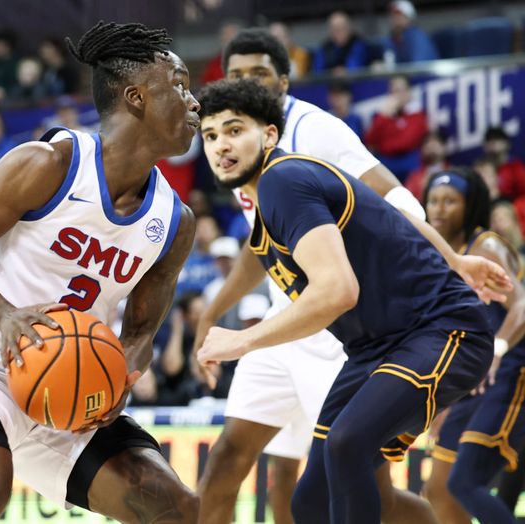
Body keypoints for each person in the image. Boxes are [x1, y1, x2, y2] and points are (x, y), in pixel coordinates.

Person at [0, 21, 200, 523]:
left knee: (178, 510)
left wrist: (123, 373)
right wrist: (5, 316)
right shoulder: (50, 163)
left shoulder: (174, 221)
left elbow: (142, 327)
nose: (195, 102)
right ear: (135, 97)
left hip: (69, 386)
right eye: (179, 85)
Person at [196, 79, 504, 524]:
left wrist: (242, 341)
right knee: (311, 503)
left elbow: (338, 291)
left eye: (234, 130)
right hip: (373, 350)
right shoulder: (266, 216)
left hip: (441, 329)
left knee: (348, 444)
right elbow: (383, 211)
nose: (221, 145)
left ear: (269, 135)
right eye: (210, 136)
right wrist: (453, 258)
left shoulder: (285, 178)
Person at [421, 168, 525, 524]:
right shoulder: (445, 257)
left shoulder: (486, 246)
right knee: (438, 489)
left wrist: (496, 351)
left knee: (465, 483)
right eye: (433, 200)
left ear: (472, 206)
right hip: (474, 383)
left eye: (451, 201)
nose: (439, 209)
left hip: (511, 369)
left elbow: (523, 305)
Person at [364, 74, 429, 182]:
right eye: (394, 91)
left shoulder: (418, 114)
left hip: (409, 166)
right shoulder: (382, 115)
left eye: (401, 90)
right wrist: (384, 117)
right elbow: (370, 141)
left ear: (409, 92)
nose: (398, 95)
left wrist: (386, 144)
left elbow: (406, 142)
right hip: (386, 164)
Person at [382, 0, 438, 65]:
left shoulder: (417, 37)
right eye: (392, 15)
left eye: (398, 15)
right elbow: (391, 65)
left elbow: (417, 67)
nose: (394, 19)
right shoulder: (391, 40)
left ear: (409, 18)